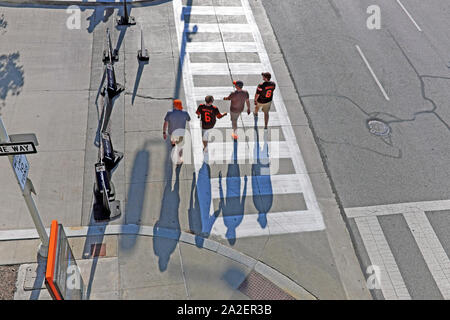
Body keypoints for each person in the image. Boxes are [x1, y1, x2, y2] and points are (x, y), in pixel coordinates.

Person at [163, 99, 191, 164]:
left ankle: (173, 143)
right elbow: (189, 119)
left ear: (174, 105)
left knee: (173, 139)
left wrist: (164, 132)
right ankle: (179, 159)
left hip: (172, 132)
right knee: (180, 146)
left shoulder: (169, 112)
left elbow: (165, 123)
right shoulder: (185, 113)